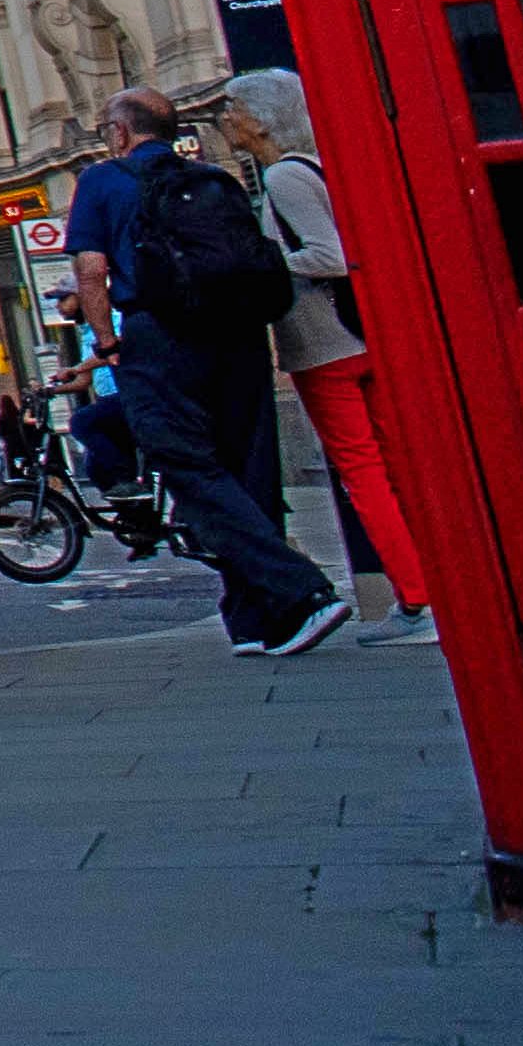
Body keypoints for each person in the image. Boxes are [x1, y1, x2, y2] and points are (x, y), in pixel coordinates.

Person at [65, 86, 347, 655]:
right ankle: (255, 621)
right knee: (249, 466)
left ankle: (305, 593)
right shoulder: (213, 177)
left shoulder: (101, 181)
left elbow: (91, 274)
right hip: (237, 335)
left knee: (188, 466)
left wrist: (106, 340)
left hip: (159, 336)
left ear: (120, 133)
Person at [223, 71, 429, 641]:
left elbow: (330, 256)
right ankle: (429, 591)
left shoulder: (286, 176)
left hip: (323, 345)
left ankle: (416, 600)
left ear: (261, 120)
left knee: (363, 474)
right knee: (394, 468)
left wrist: (261, 265)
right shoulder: (309, 168)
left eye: (233, 107)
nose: (225, 118)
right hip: (357, 339)